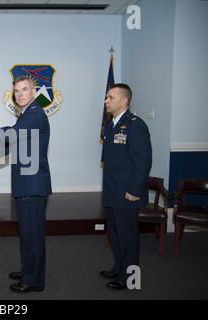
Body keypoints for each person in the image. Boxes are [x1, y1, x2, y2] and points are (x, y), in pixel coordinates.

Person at [0, 76, 52, 293]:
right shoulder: (25, 116)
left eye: (24, 90)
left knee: (32, 236)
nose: (20, 94)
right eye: (16, 91)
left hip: (32, 185)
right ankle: (28, 271)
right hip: (27, 184)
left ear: (33, 92)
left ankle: (34, 281)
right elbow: (12, 144)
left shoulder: (34, 114)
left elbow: (11, 134)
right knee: (26, 234)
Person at [100, 83, 152, 290]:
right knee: (115, 233)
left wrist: (135, 191)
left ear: (124, 101)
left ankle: (130, 279)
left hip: (127, 193)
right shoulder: (112, 124)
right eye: (106, 97)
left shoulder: (135, 125)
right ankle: (119, 267)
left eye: (110, 97)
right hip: (112, 190)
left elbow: (143, 161)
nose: (106, 101)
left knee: (128, 237)